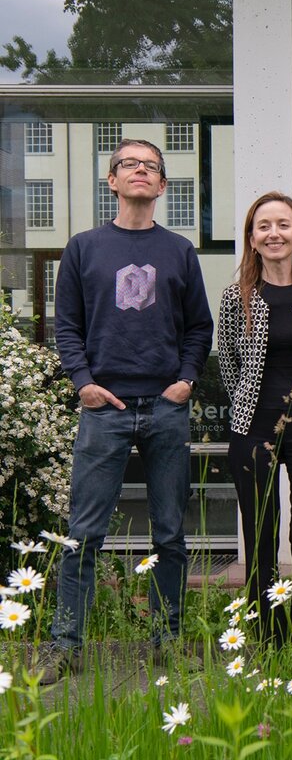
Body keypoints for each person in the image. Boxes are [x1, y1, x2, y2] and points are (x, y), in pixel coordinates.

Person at [38, 138, 214, 683]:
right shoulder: (84, 247)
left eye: (151, 167)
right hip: (104, 408)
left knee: (169, 533)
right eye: (129, 165)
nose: (140, 171)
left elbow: (199, 328)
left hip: (164, 407)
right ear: (111, 181)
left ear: (163, 186)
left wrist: (186, 380)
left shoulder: (180, 251)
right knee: (83, 533)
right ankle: (65, 644)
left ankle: (167, 641)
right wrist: (83, 383)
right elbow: (65, 324)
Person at [218, 192, 292, 642]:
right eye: (264, 226)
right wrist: (249, 408)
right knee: (261, 531)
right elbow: (228, 362)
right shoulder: (237, 298)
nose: (274, 233)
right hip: (252, 429)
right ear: (252, 239)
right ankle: (267, 634)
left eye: (283, 225)